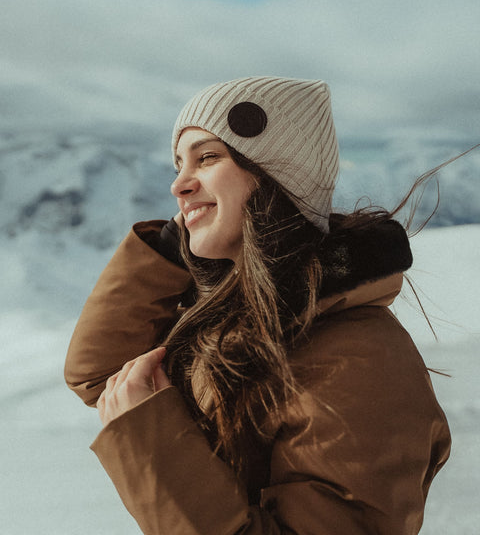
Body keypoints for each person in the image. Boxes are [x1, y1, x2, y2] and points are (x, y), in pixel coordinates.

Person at [65, 76, 451, 535]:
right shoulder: (241, 315)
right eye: (177, 166)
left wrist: (152, 443)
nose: (178, 186)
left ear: (278, 175)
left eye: (207, 157)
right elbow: (101, 376)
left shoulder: (357, 358)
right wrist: (175, 243)